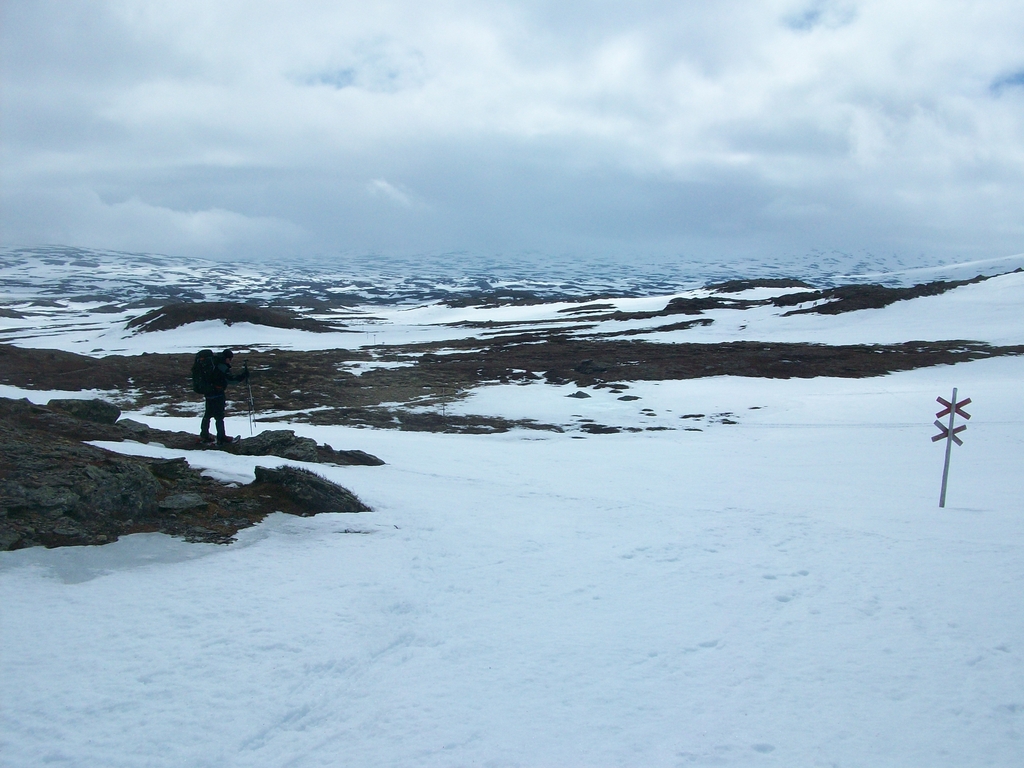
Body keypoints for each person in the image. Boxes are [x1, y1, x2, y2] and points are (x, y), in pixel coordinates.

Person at [200, 349, 248, 445]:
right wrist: (243, 376)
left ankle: (204, 435)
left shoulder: (213, 362)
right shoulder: (221, 366)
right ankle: (221, 437)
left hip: (208, 392)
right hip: (218, 393)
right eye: (230, 359)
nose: (230, 361)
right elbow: (231, 380)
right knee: (219, 416)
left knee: (208, 414)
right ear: (227, 358)